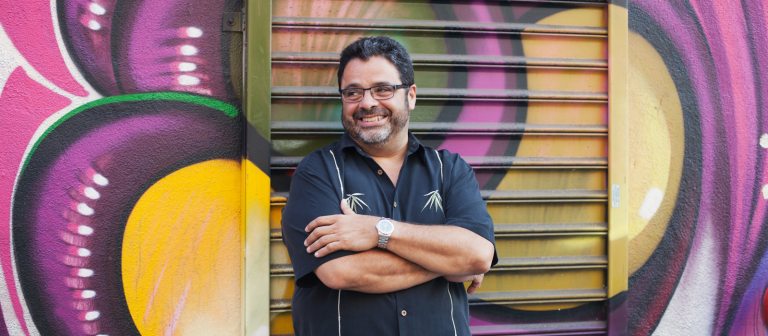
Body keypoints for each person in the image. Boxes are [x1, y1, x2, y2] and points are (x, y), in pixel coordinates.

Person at [281, 36, 497, 336]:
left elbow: (478, 255)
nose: (367, 103)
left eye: (383, 89)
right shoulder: (318, 172)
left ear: (410, 95)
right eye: (353, 92)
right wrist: (449, 262)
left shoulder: (450, 170)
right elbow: (340, 271)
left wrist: (378, 231)